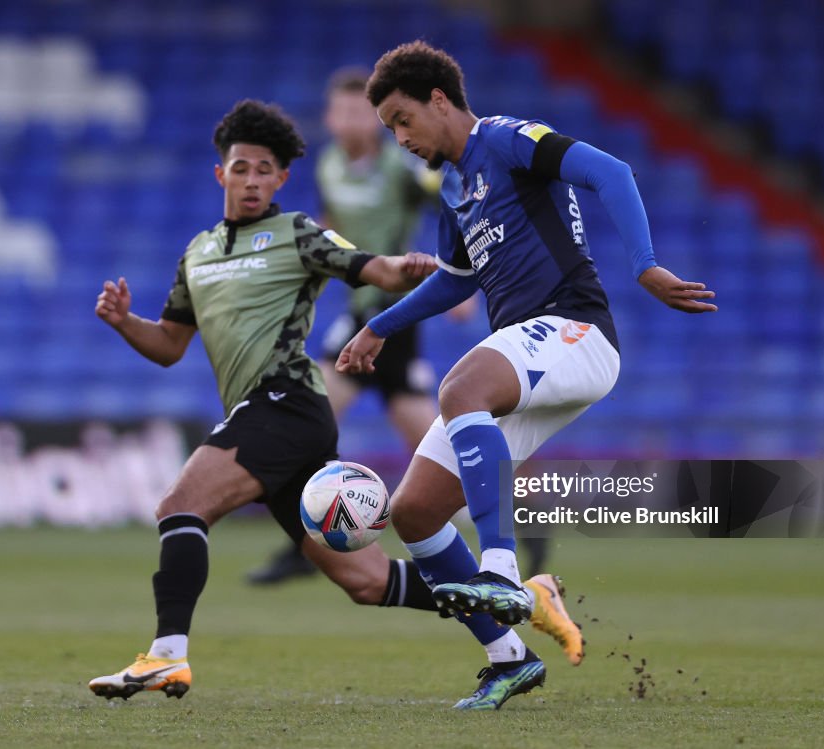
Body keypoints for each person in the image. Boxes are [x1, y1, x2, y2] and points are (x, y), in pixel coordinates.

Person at [87, 99, 583, 701]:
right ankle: (523, 613)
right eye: (240, 168)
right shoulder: (196, 254)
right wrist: (123, 323)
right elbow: (169, 345)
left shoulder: (296, 233)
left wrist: (409, 268)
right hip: (266, 420)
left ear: (282, 178)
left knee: (179, 507)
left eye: (264, 170)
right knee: (367, 582)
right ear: (221, 174)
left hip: (285, 403)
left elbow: (368, 266)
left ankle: (166, 656)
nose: (251, 180)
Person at [337, 41, 718, 710]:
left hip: (577, 332)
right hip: (521, 350)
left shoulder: (506, 139)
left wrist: (645, 264)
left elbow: (612, 171)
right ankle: (508, 657)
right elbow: (455, 279)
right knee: (415, 511)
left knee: (459, 389)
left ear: (440, 100)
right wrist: (379, 326)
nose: (400, 138)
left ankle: (503, 568)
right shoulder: (453, 188)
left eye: (403, 120)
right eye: (390, 128)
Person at [245, 66, 448, 586]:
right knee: (316, 419)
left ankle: (513, 519)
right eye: (341, 110)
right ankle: (308, 543)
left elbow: (452, 208)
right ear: (330, 117)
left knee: (310, 420)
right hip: (364, 315)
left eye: (360, 110)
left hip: (394, 317)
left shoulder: (403, 168)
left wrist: (457, 274)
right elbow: (330, 225)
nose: (349, 120)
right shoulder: (330, 165)